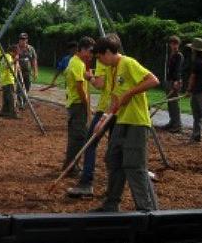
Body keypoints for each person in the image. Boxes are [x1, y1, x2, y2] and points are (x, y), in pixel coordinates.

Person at [91, 34, 160, 212]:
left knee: (134, 165)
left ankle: (147, 210)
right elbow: (114, 100)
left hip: (136, 122)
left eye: (99, 57)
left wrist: (129, 93)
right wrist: (103, 120)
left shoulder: (128, 63)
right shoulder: (111, 70)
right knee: (113, 159)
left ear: (108, 52)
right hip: (121, 120)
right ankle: (111, 204)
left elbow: (153, 80)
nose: (100, 61)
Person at [68, 44, 115, 197]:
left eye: (97, 55)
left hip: (106, 108)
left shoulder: (102, 62)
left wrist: (90, 78)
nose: (96, 58)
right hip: (118, 108)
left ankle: (86, 183)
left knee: (90, 143)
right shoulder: (123, 62)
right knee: (114, 147)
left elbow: (99, 84)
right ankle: (113, 187)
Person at [63, 36, 95, 177]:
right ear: (81, 49)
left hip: (75, 103)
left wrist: (88, 77)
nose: (91, 55)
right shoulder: (77, 63)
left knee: (76, 136)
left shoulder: (77, 62)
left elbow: (82, 81)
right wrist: (86, 103)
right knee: (79, 136)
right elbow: (80, 87)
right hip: (77, 104)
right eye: (89, 51)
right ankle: (71, 167)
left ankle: (70, 165)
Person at [159, 35, 184, 133]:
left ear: (178, 44)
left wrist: (177, 81)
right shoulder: (171, 55)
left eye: (176, 44)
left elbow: (178, 70)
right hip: (169, 81)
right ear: (170, 44)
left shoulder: (179, 55)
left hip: (175, 82)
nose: (174, 46)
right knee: (170, 103)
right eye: (172, 44)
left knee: (174, 103)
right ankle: (172, 122)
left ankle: (177, 125)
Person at [16, 32, 38, 109]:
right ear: (19, 40)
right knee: (19, 87)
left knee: (27, 87)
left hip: (27, 72)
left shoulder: (31, 49)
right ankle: (20, 102)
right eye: (21, 39)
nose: (22, 41)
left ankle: (24, 101)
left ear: (27, 40)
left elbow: (34, 60)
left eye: (24, 39)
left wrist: (35, 72)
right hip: (18, 72)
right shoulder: (16, 48)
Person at [0, 45, 19, 118]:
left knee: (6, 97)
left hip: (5, 80)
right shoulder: (8, 57)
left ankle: (4, 111)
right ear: (13, 52)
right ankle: (12, 112)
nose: (16, 55)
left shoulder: (5, 56)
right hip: (8, 79)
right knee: (11, 97)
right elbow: (7, 66)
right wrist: (14, 61)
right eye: (16, 53)